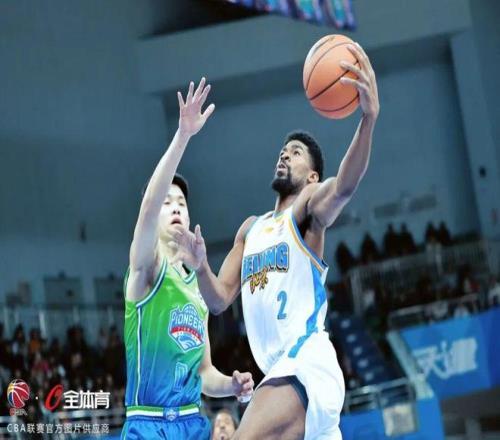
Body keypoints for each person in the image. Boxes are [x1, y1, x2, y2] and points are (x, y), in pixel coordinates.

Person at [171, 43, 379, 439]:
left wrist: (368, 118)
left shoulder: (307, 208)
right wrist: (199, 266)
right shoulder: (250, 230)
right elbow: (218, 300)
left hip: (305, 366)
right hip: (282, 375)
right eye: (283, 152)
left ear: (313, 176)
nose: (284, 156)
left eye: (295, 153)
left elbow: (344, 187)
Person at [121, 79, 254, 440]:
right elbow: (148, 208)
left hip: (192, 423)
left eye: (181, 202)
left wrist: (231, 385)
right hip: (149, 422)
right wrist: (182, 136)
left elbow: (204, 373)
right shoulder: (145, 268)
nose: (175, 206)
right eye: (168, 202)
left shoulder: (197, 287)